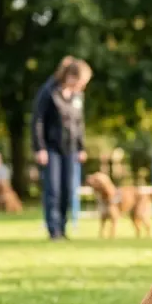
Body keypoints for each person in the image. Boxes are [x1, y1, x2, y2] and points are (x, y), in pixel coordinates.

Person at [31, 56, 93, 240]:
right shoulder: (49, 91)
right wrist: (39, 147)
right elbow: (37, 120)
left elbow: (79, 123)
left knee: (68, 190)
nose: (82, 86)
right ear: (71, 76)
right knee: (53, 190)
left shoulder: (77, 96)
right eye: (81, 82)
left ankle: (63, 228)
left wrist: (81, 147)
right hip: (51, 148)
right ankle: (53, 230)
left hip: (71, 149)